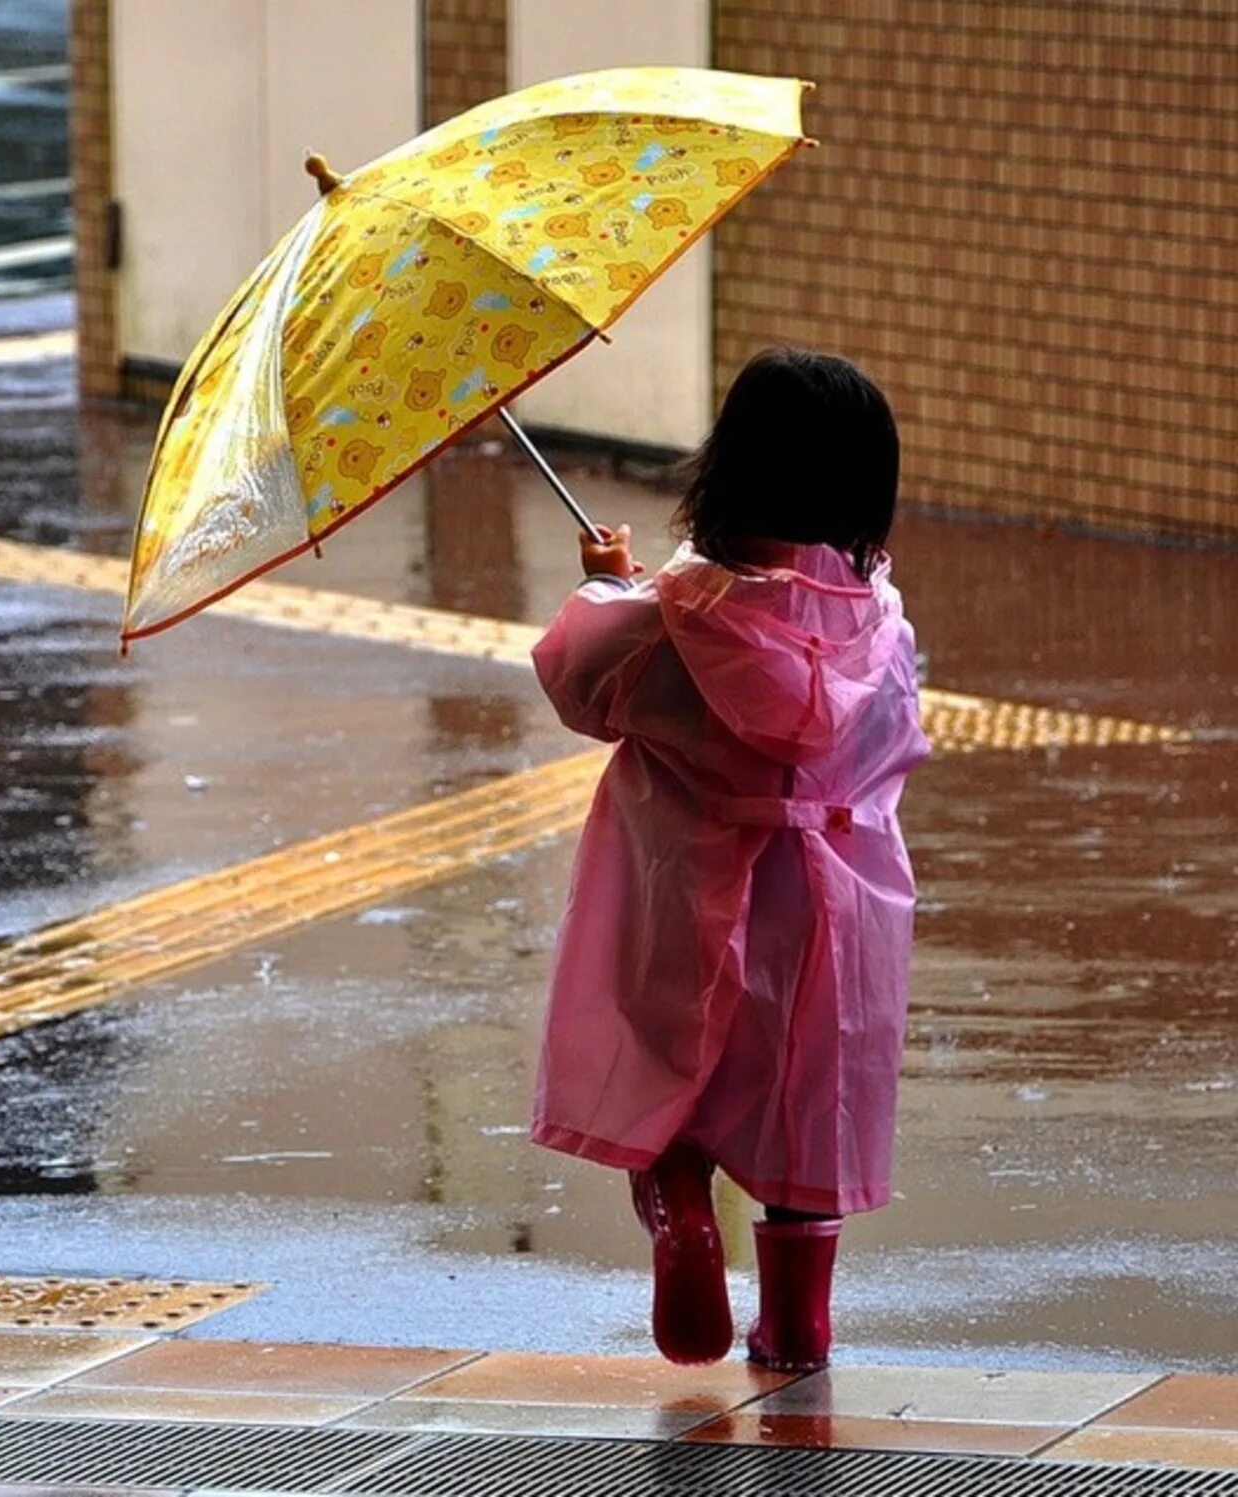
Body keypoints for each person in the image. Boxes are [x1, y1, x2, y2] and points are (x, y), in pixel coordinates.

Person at [530, 347, 931, 1371]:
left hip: (690, 890)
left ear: (731, 465)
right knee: (809, 1097)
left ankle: (680, 1212)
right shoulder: (879, 622)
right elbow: (891, 746)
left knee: (678, 1064)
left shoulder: (672, 619)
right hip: (837, 904)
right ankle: (798, 1322)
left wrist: (613, 592)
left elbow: (581, 685)